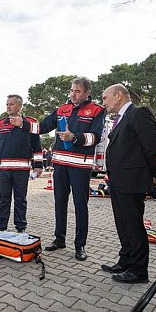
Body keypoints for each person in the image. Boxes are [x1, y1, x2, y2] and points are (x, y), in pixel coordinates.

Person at [12, 77, 105, 261]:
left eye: (77, 91)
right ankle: (59, 239)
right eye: (71, 90)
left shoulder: (97, 111)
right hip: (60, 165)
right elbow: (42, 127)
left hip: (80, 166)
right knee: (59, 203)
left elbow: (95, 137)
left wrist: (74, 137)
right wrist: (23, 123)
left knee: (80, 206)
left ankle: (80, 246)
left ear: (87, 93)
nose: (72, 94)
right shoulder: (62, 109)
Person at [100, 84, 156, 284]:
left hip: (132, 180)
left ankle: (138, 270)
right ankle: (125, 260)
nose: (104, 102)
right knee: (123, 223)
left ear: (119, 95)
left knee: (133, 225)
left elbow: (152, 148)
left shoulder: (138, 113)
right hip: (118, 180)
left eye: (106, 97)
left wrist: (151, 176)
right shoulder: (120, 119)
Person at [0, 94, 43, 233]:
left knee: (20, 200)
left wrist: (38, 167)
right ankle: (1, 227)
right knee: (3, 200)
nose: (8, 106)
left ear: (20, 106)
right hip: (4, 170)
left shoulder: (31, 123)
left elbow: (37, 147)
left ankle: (21, 228)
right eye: (7, 104)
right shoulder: (0, 124)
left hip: (22, 171)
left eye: (11, 104)